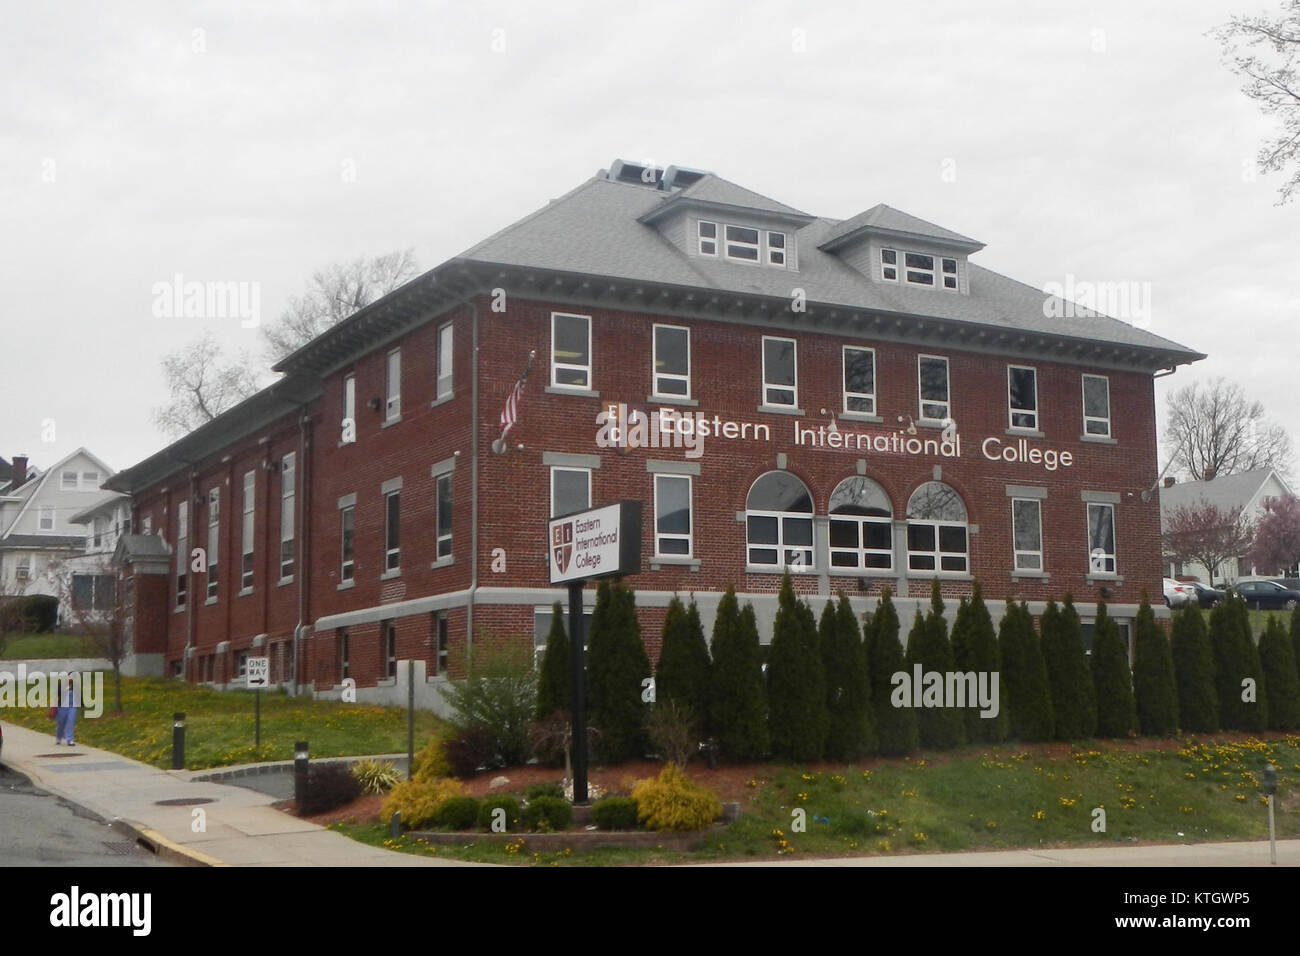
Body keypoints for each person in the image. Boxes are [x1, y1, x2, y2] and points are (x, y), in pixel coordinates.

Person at [55, 676, 77, 746]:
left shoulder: (76, 686)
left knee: (70, 722)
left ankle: (70, 740)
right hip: (62, 707)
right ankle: (58, 737)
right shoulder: (61, 685)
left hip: (72, 707)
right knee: (61, 724)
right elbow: (57, 694)